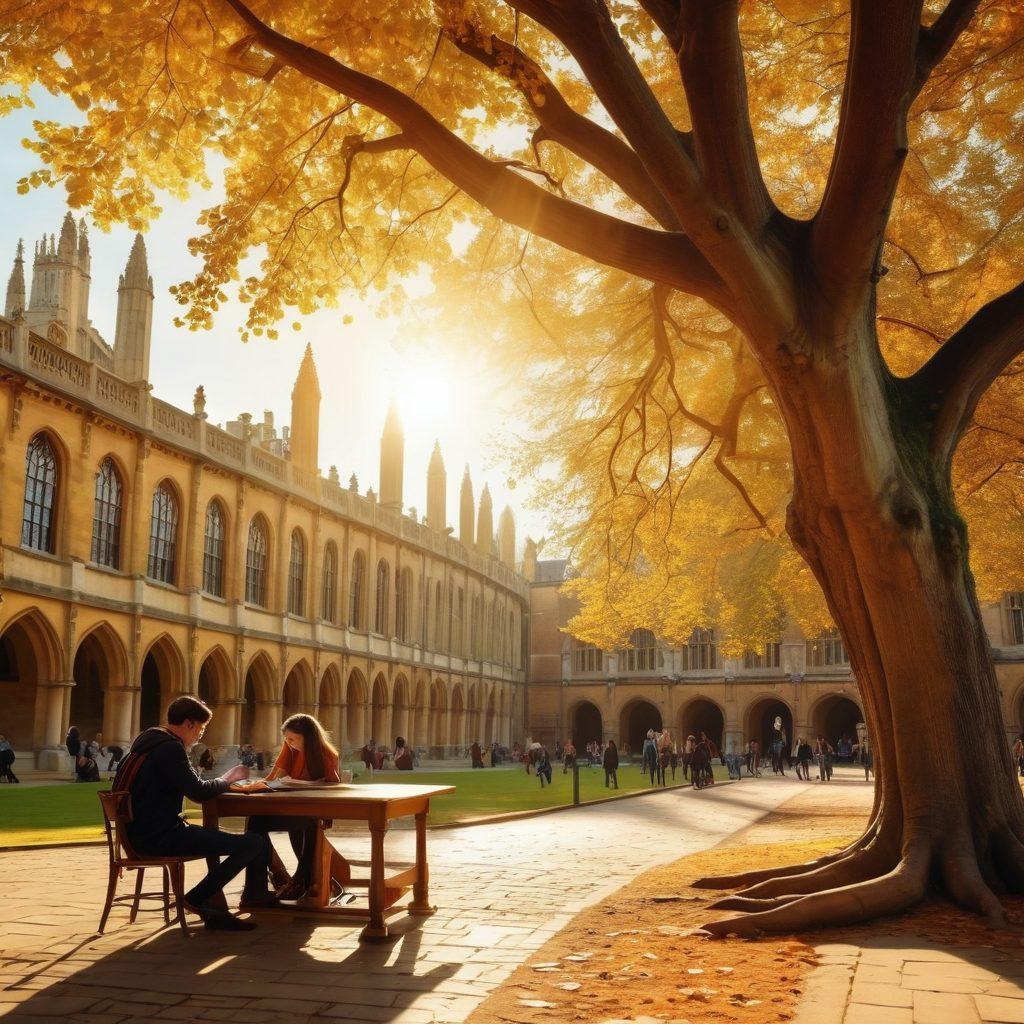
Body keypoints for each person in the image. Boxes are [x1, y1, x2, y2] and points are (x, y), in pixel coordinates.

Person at [114, 695, 269, 931]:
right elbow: (199, 792)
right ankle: (199, 898)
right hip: (159, 838)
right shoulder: (169, 748)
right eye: (201, 729)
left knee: (217, 836)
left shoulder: (145, 743)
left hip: (140, 834)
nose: (199, 736)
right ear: (189, 724)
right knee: (253, 843)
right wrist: (230, 779)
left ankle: (217, 905)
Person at [244, 713, 341, 901]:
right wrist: (257, 786)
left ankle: (299, 878)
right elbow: (274, 776)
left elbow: (333, 787)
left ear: (308, 738)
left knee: (304, 824)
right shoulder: (291, 748)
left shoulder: (327, 755)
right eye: (286, 739)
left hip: (312, 813)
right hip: (294, 809)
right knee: (255, 821)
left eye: (292, 739)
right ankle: (273, 878)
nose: (288, 743)